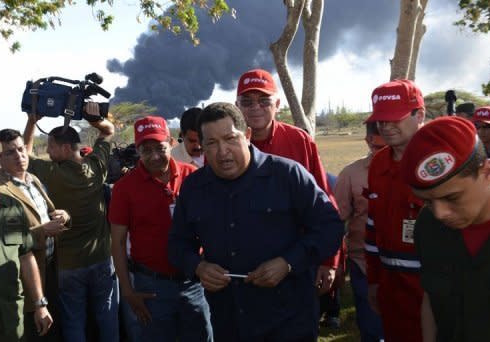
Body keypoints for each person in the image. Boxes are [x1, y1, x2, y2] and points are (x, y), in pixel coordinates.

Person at [168, 102, 344, 341]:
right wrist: (198, 267)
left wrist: (288, 263)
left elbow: (331, 227)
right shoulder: (194, 188)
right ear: (201, 146)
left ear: (248, 135)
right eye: (211, 143)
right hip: (229, 321)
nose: (222, 152)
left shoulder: (288, 175)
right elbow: (178, 244)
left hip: (289, 320)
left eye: (230, 139)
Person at [235, 68, 340, 295]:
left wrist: (329, 260)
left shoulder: (299, 140)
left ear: (278, 104)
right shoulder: (228, 145)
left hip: (297, 260)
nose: (255, 108)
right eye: (247, 101)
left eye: (264, 100)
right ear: (237, 105)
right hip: (243, 265)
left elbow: (325, 203)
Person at [400, 116, 490, 341]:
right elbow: (431, 296)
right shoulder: (428, 225)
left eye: (452, 197)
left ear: (487, 172)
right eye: (427, 201)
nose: (440, 213)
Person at [109, 116, 213, 341]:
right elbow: (117, 241)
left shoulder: (193, 176)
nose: (155, 156)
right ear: (137, 150)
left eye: (160, 147)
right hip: (152, 287)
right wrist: (127, 290)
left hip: (194, 283)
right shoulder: (123, 188)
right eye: (146, 150)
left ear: (171, 143)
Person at [23, 104, 119, 342]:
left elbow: (24, 155)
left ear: (65, 148)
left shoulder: (52, 174)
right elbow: (108, 132)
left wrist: (32, 122)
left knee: (74, 320)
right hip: (102, 259)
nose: (48, 150)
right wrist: (93, 118)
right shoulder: (96, 167)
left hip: (69, 265)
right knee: (107, 315)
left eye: (51, 146)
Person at [0, 129, 70, 342]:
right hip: (25, 278)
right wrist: (42, 231)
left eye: (20, 149)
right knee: (34, 331)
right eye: (10, 153)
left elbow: (46, 213)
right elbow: (7, 240)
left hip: (50, 269)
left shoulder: (33, 179)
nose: (19, 156)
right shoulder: (0, 190)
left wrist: (64, 216)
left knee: (53, 328)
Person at [364, 79, 426, 342]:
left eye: (394, 119)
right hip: (391, 286)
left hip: (431, 288)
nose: (386, 126)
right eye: (381, 120)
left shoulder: (439, 160)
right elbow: (372, 225)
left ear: (419, 115)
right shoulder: (378, 163)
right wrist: (375, 280)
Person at [332, 122, 385, 341]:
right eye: (378, 148)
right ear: (368, 141)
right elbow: (336, 221)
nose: (385, 154)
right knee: (372, 327)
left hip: (410, 265)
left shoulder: (415, 169)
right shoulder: (351, 174)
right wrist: (332, 263)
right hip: (363, 263)